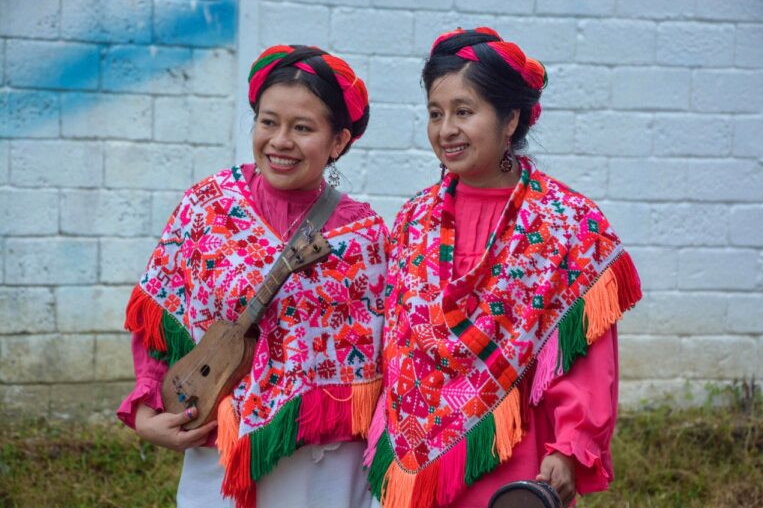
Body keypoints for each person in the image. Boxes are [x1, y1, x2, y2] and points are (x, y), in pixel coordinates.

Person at [364, 27, 642, 508]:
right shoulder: (414, 219)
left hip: (514, 450)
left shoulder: (565, 223)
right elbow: (398, 342)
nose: (446, 129)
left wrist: (571, 447)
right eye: (435, 113)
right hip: (415, 453)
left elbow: (584, 351)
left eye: (464, 112)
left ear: (510, 119)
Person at [117, 44, 388, 508]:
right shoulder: (209, 206)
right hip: (218, 453)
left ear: (338, 141)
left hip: (324, 465)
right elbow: (164, 311)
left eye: (302, 128)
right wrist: (145, 409)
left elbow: (389, 352)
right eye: (268, 122)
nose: (280, 141)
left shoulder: (365, 236)